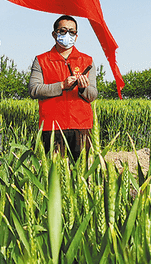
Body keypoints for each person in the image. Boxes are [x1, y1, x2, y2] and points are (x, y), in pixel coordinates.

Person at [28, 15, 98, 160]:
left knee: (81, 173)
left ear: (76, 36)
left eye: (72, 32)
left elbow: (93, 94)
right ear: (54, 34)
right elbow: (34, 90)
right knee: (54, 174)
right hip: (51, 127)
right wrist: (61, 85)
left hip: (81, 126)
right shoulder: (41, 60)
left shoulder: (87, 60)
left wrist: (83, 88)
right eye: (63, 30)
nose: (68, 35)